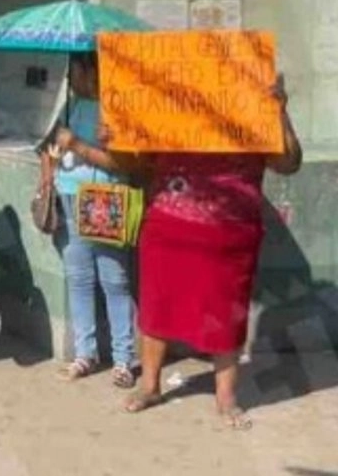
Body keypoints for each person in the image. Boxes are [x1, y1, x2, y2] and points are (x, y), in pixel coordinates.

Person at [124, 76, 302, 429]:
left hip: (230, 235)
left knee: (226, 314)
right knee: (157, 307)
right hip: (168, 226)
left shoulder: (255, 109)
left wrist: (279, 112)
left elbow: (289, 163)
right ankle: (150, 385)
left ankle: (226, 397)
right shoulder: (169, 107)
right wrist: (119, 132)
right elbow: (138, 163)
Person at [41, 51, 141, 387]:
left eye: (79, 71)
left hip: (105, 200)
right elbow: (51, 146)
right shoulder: (72, 106)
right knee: (79, 278)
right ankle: (86, 352)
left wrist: (78, 145)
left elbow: (123, 164)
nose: (74, 78)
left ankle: (124, 358)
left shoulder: (118, 109)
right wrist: (53, 161)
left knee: (114, 280)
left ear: (96, 73)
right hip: (70, 197)